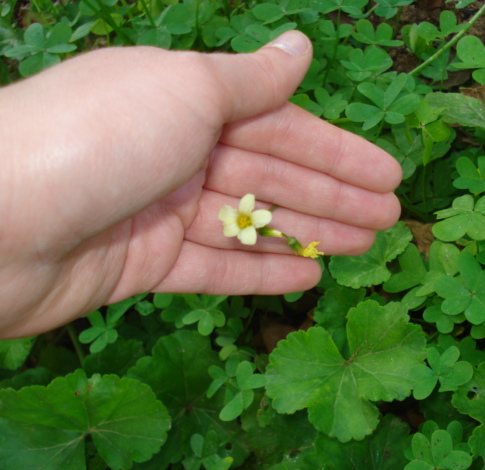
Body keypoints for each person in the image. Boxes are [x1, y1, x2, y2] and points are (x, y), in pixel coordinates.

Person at [0, 30, 402, 339]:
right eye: (244, 223)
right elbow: (242, 220)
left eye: (245, 223)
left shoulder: (245, 219)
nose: (244, 224)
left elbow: (247, 220)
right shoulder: (240, 218)